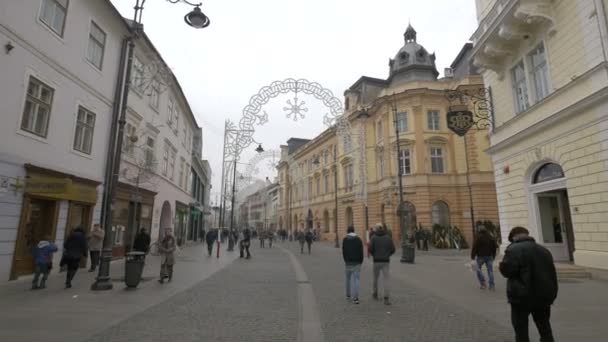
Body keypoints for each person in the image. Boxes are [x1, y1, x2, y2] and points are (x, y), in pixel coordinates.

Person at [500, 226, 558, 342]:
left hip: (521, 296)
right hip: (543, 295)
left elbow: (507, 271)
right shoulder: (544, 250)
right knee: (544, 327)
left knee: (521, 330)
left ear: (514, 237)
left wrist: (502, 265)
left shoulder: (513, 250)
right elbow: (552, 273)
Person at [369, 223, 395, 305]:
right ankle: (386, 298)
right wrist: (387, 255)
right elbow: (393, 249)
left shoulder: (373, 238)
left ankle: (375, 294)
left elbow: (370, 249)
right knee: (386, 279)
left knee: (375, 279)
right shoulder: (388, 238)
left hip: (376, 261)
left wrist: (374, 255)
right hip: (385, 261)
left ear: (376, 229)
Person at [342, 225, 364, 304]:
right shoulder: (358, 239)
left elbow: (343, 252)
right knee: (356, 280)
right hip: (357, 263)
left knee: (348, 279)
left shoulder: (345, 240)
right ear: (354, 231)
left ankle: (348, 295)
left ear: (347, 231)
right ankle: (356, 298)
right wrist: (361, 261)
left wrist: (346, 260)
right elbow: (361, 252)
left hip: (348, 262)